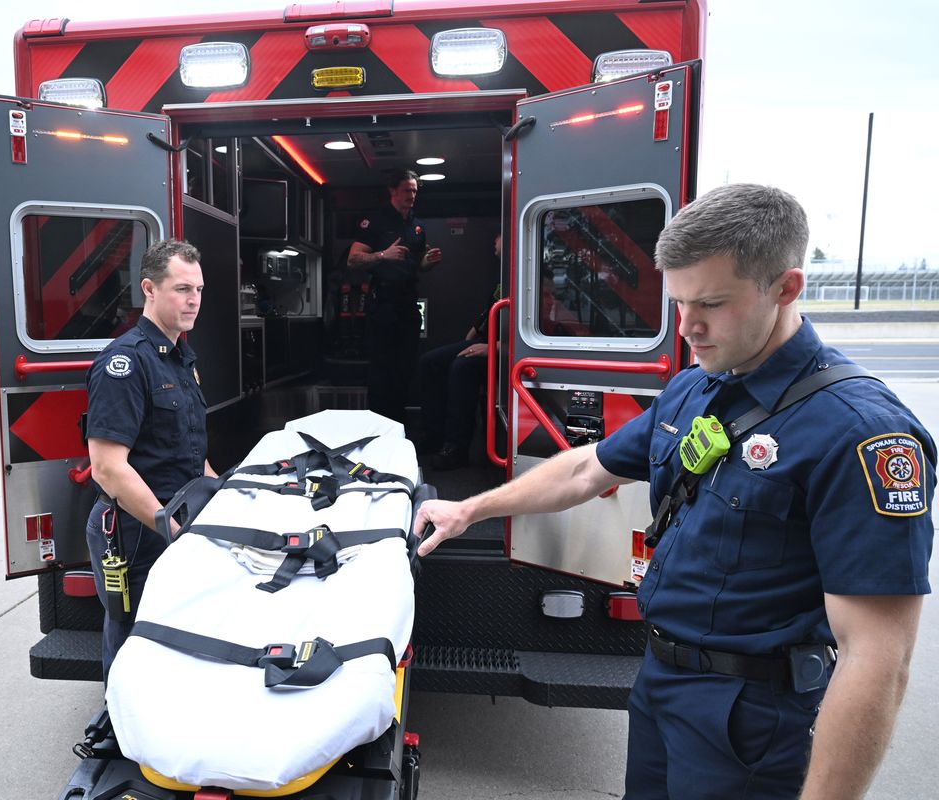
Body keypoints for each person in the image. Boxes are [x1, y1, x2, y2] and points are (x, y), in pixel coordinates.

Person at [414, 184, 935, 799]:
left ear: (787, 288)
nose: (688, 328)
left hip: (750, 716)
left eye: (712, 303)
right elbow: (588, 470)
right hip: (660, 680)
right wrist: (470, 509)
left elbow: (877, 658)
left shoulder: (860, 433)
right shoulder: (698, 389)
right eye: (679, 303)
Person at [83, 239, 216, 682]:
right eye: (181, 289)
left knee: (174, 647)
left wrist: (226, 500)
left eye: (198, 289)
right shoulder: (125, 362)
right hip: (136, 534)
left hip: (177, 523)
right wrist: (173, 531)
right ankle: (120, 743)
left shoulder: (180, 358)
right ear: (149, 290)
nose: (193, 299)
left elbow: (192, 451)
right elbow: (107, 467)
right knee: (135, 650)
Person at [347, 169, 443, 422]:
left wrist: (428, 261)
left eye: (414, 191)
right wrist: (382, 255)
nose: (411, 195)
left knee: (405, 370)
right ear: (393, 190)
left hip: (408, 304)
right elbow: (353, 260)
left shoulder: (417, 226)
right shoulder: (375, 221)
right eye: (406, 190)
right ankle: (378, 429)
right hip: (383, 304)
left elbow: (419, 265)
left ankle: (399, 427)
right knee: (381, 372)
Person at [418, 233, 501, 470]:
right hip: (488, 340)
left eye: (498, 237)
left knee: (462, 366)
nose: (494, 241)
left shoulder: (523, 272)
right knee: (429, 362)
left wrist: (494, 348)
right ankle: (434, 436)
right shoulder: (503, 275)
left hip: (506, 349)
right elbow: (492, 310)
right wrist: (475, 331)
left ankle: (456, 447)